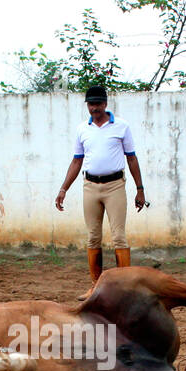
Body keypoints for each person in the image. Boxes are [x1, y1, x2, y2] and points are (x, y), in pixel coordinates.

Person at [54, 85, 147, 293]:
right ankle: (96, 287)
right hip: (90, 186)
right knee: (93, 236)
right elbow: (76, 161)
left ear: (105, 104)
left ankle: (125, 287)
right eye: (91, 104)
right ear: (87, 105)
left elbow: (131, 158)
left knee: (118, 236)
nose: (94, 108)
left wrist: (140, 189)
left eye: (98, 104)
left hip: (115, 186)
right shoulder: (82, 129)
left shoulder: (121, 126)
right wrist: (63, 189)